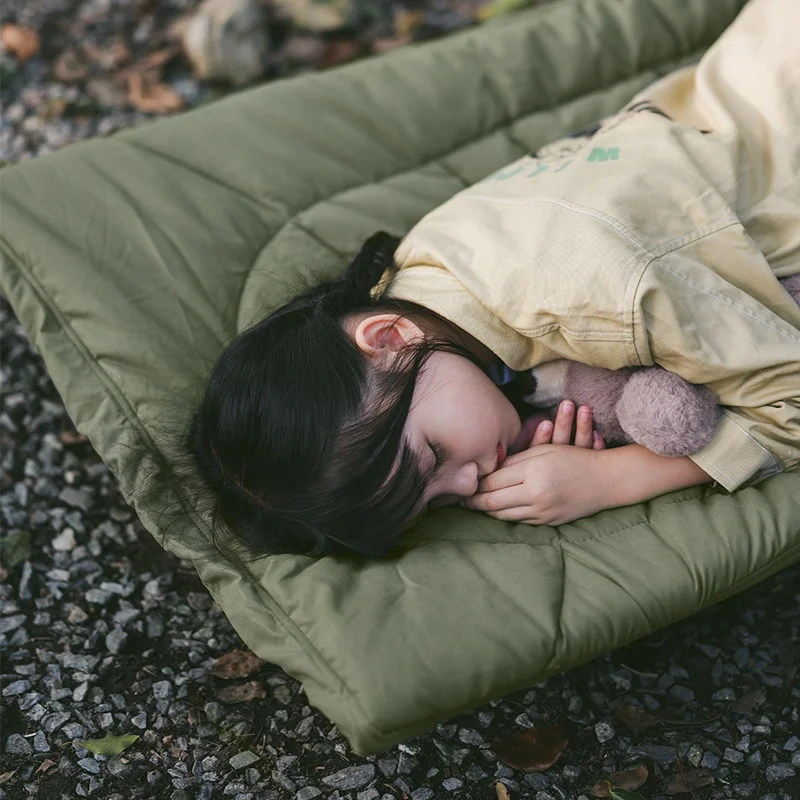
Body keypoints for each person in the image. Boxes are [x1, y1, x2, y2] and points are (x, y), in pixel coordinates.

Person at [187, 0, 800, 559]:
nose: (469, 483)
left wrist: (619, 477)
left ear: (388, 339)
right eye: (436, 502)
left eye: (433, 458)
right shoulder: (422, 264)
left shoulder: (598, 296)